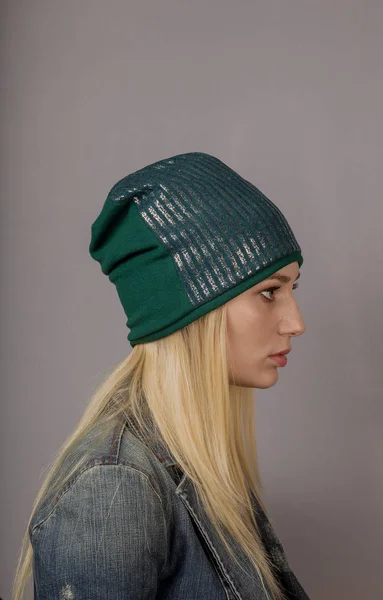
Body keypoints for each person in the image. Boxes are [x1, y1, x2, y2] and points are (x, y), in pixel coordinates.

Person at [12, 151, 309, 600]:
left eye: (292, 289)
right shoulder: (113, 488)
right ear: (191, 314)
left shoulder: (201, 460)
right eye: (269, 292)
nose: (295, 322)